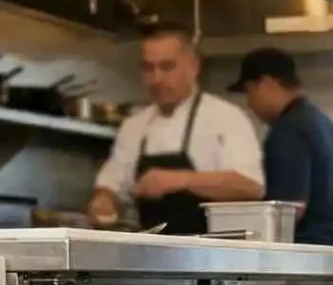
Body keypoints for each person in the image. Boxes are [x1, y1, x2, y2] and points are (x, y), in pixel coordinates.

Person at [88, 23, 264, 235]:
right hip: (150, 255)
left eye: (167, 67)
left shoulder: (225, 118)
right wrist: (104, 201)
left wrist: (180, 180)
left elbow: (251, 186)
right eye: (148, 68)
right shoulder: (134, 126)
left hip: (209, 257)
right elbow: (111, 184)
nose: (157, 79)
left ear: (193, 66)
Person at [227, 47, 333, 246]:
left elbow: (288, 210)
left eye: (249, 92)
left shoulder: (289, 129)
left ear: (267, 83)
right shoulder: (324, 125)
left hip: (308, 254)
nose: (249, 104)